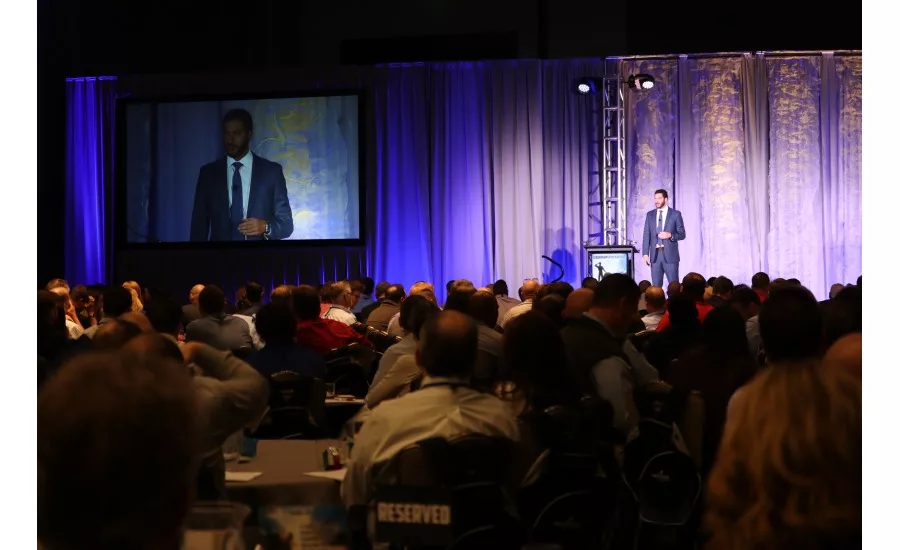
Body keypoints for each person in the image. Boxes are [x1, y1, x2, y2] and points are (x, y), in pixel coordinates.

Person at [190, 108, 293, 241]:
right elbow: (198, 227)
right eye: (227, 133)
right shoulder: (208, 174)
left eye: (237, 133)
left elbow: (286, 225)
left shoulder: (271, 172)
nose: (230, 139)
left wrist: (265, 227)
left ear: (249, 134)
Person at [641, 189, 686, 287]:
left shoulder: (675, 214)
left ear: (666, 199)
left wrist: (670, 235)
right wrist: (645, 254)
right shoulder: (650, 215)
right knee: (656, 288)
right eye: (655, 198)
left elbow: (682, 234)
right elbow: (646, 234)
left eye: (659, 198)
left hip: (670, 256)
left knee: (674, 287)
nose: (656, 201)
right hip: (655, 256)